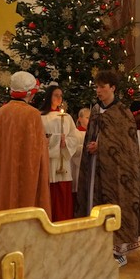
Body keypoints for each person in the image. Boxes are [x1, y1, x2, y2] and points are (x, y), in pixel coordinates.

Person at [76, 69, 140, 266]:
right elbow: (93, 135)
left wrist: (101, 146)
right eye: (97, 87)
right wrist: (92, 146)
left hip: (117, 173)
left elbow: (127, 147)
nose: (98, 91)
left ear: (113, 88)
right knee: (95, 203)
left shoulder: (122, 113)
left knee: (116, 203)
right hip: (95, 168)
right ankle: (98, 246)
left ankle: (118, 251)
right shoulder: (96, 110)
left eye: (102, 87)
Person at [0, 71, 51, 217]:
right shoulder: (32, 114)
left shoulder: (1, 112)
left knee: (4, 199)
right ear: (30, 93)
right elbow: (36, 151)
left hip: (4, 170)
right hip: (24, 174)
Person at [40, 83, 80, 221]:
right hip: (48, 160)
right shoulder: (40, 117)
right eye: (56, 95)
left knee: (62, 194)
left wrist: (65, 142)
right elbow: (38, 137)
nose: (59, 98)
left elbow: (74, 137)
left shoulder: (67, 117)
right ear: (49, 97)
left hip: (63, 160)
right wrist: (54, 141)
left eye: (61, 96)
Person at [70, 107, 90, 204]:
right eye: (87, 117)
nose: (89, 120)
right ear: (80, 119)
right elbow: (73, 150)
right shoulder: (75, 133)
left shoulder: (92, 133)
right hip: (78, 168)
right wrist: (86, 148)